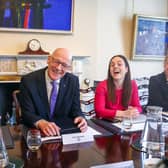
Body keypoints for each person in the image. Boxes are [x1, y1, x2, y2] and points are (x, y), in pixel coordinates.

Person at [20, 48, 87, 136]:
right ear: (49, 59)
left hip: (63, 132)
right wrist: (40, 122)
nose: (59, 67)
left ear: (68, 67)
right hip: (37, 134)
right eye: (56, 61)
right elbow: (27, 113)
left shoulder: (73, 81)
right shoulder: (29, 80)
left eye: (64, 65)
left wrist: (80, 117)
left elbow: (76, 109)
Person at [94, 55, 142, 119]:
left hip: (125, 121)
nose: (115, 66)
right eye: (112, 65)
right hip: (107, 122)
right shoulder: (101, 86)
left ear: (126, 69)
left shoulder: (132, 84)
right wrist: (123, 113)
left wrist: (134, 111)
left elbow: (138, 107)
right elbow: (99, 111)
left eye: (119, 64)